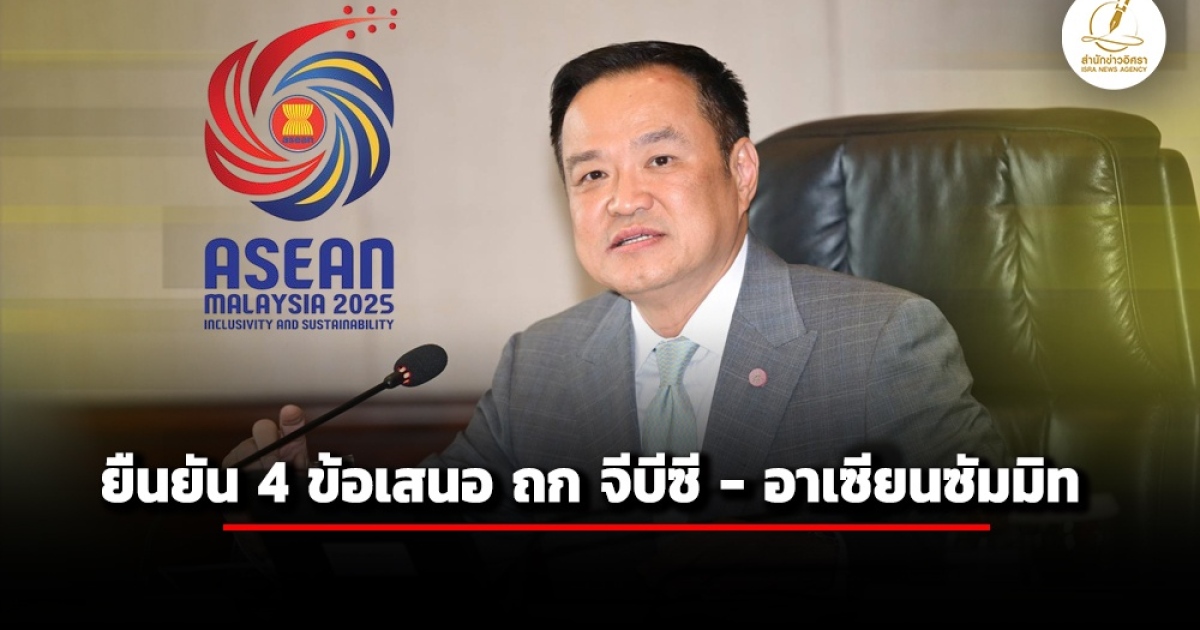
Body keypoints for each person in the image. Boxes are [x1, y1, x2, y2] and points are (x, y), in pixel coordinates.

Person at [225, 41, 1007, 520]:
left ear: (741, 172)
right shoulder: (542, 366)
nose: (622, 199)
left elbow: (1001, 543)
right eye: (591, 174)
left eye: (659, 159)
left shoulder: (880, 341)